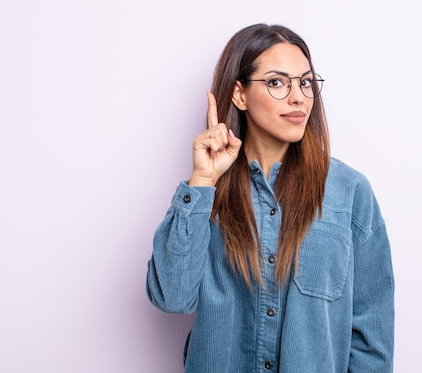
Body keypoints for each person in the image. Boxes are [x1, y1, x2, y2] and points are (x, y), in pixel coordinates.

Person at [146, 23, 394, 372]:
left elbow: (372, 333)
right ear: (240, 94)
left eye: (305, 82)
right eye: (277, 82)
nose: (298, 97)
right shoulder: (206, 192)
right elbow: (172, 298)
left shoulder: (349, 192)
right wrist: (202, 181)